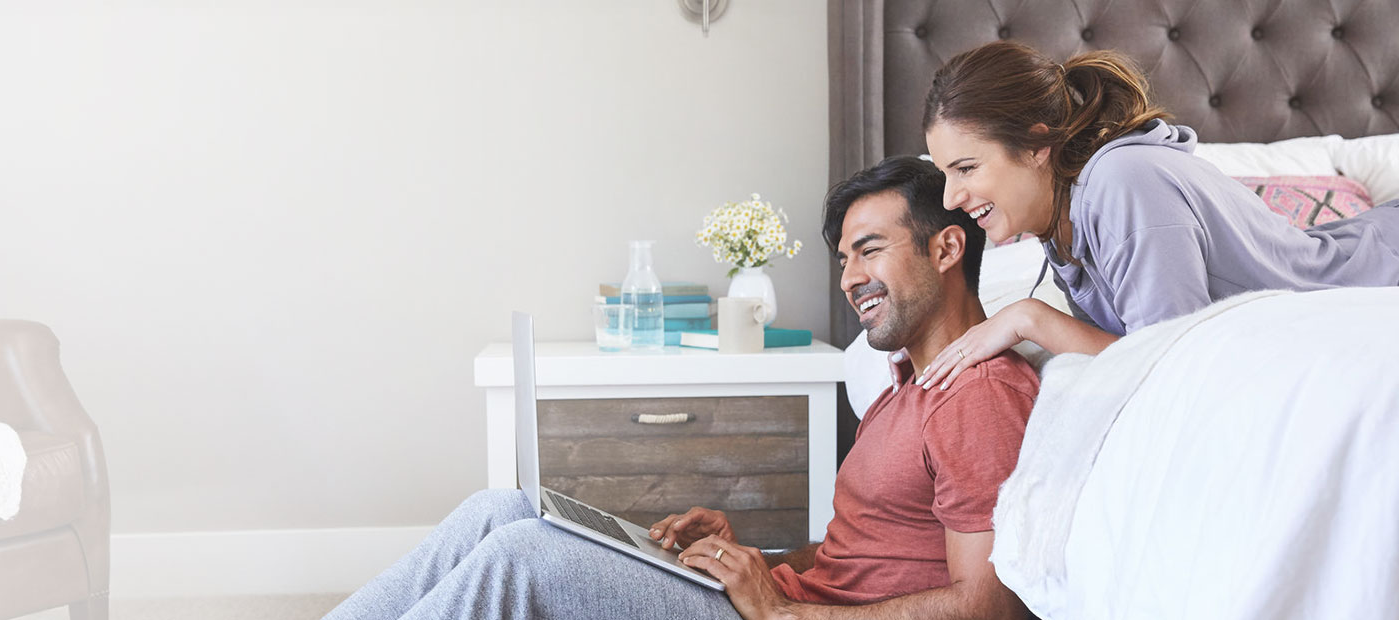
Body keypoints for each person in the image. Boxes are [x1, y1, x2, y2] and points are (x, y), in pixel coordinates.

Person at [322, 155, 1039, 620]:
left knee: (525, 558)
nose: (850, 277)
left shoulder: (976, 395)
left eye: (871, 250)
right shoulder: (905, 384)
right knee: (501, 509)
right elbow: (864, 554)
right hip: (773, 599)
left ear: (947, 248)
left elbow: (990, 603)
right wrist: (754, 555)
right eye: (844, 258)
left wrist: (784, 610)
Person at [914, 40, 1399, 390]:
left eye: (966, 168)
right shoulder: (1061, 221)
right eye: (946, 174)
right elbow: (1134, 352)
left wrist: (1029, 318)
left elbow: (1166, 360)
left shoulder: (1125, 180)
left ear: (1036, 145)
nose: (950, 198)